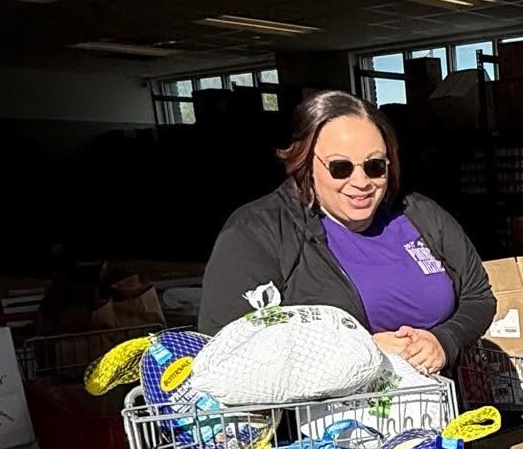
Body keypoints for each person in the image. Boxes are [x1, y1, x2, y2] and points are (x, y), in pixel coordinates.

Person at [199, 90, 494, 372]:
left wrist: (445, 340)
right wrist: (362, 350)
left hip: (437, 413)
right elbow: (230, 347)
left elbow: (478, 295)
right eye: (341, 167)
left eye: (375, 166)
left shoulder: (419, 214)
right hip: (321, 421)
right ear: (305, 163)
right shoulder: (257, 232)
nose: (361, 181)